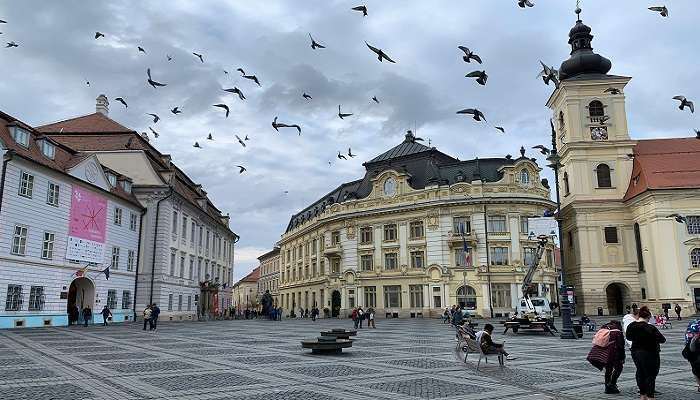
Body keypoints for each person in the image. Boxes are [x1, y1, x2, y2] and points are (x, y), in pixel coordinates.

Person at [626, 306, 666, 400]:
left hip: (635, 351)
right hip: (649, 352)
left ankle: (642, 395)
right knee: (650, 375)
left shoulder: (631, 326)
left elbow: (629, 338)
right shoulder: (649, 327)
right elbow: (662, 339)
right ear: (648, 317)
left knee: (640, 372)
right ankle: (650, 396)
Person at [587, 320, 626, 394]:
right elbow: (621, 346)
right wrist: (623, 357)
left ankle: (607, 387)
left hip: (604, 354)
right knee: (619, 368)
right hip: (614, 354)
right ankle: (612, 384)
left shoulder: (604, 328)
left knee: (608, 370)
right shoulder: (617, 332)